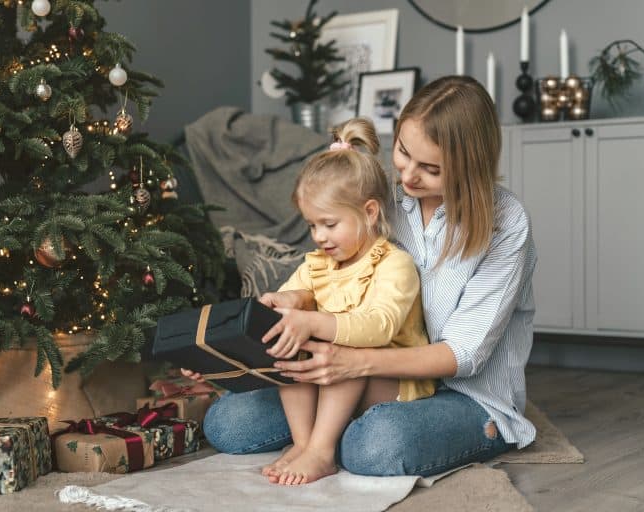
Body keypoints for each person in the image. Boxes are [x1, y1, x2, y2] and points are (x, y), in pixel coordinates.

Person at [186, 75, 537, 478]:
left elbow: (464, 355)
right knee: (228, 422)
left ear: (469, 168)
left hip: (465, 395)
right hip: (372, 376)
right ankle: (323, 436)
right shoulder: (382, 199)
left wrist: (353, 362)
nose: (408, 177)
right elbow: (325, 272)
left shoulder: (505, 224)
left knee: (375, 445)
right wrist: (291, 306)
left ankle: (337, 437)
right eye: (403, 152)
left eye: (431, 169)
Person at [189, 117, 435, 486]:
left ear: (369, 213)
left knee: (332, 340)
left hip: (389, 382)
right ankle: (306, 444)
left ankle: (321, 449)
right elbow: (291, 299)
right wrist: (279, 304)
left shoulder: (393, 263)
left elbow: (378, 325)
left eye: (329, 224)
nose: (319, 236)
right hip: (331, 380)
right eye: (311, 225)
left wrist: (313, 322)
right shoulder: (317, 264)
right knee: (289, 339)